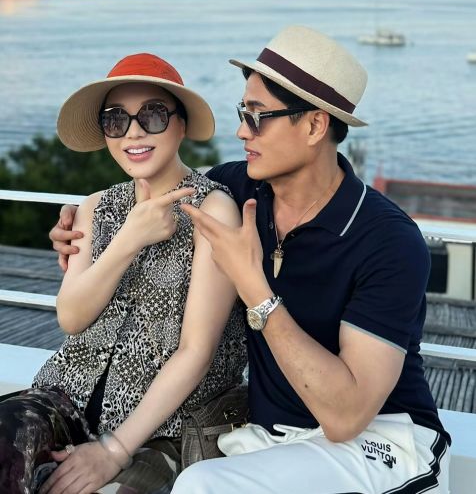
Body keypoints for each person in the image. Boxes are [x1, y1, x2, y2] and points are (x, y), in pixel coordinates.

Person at [50, 26, 450, 494]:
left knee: (201, 486)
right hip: (269, 438)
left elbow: (346, 417)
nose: (242, 131)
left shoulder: (388, 241)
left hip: (378, 440)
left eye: (258, 117)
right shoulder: (238, 191)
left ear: (315, 126)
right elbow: (158, 185)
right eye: (243, 113)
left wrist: (255, 288)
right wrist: (77, 226)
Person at [0, 53, 246, 494]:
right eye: (116, 119)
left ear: (181, 125)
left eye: (152, 115)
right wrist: (129, 239)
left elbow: (196, 351)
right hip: (67, 398)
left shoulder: (213, 209)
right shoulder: (95, 207)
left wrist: (113, 450)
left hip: (163, 424)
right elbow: (71, 318)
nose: (133, 131)